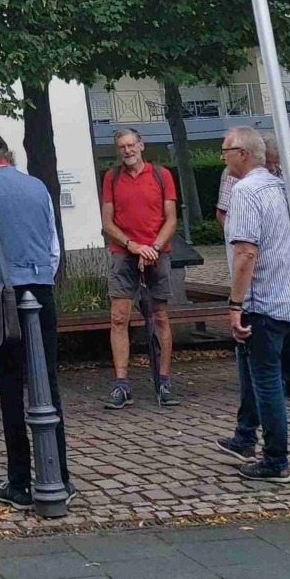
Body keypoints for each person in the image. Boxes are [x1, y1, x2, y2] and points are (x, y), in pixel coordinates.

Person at [0, 132, 72, 509]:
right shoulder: (39, 187)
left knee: (10, 387)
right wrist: (39, 279)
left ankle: (19, 481)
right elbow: (53, 249)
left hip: (2, 293)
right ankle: (60, 475)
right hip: (41, 290)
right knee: (47, 382)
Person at [219, 125, 290, 481]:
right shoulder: (285, 190)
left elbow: (245, 253)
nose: (222, 158)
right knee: (259, 376)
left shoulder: (246, 192)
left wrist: (235, 304)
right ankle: (245, 439)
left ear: (243, 154)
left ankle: (276, 460)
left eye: (226, 151)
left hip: (261, 304)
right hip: (286, 304)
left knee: (266, 383)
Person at [216, 141, 290, 404]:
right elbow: (224, 214)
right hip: (258, 267)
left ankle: (289, 380)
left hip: (285, 264)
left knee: (287, 329)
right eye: (270, 162)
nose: (273, 167)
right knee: (260, 354)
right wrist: (244, 234)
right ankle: (251, 417)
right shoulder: (236, 179)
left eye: (277, 163)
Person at [101, 127, 178, 409]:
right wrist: (132, 245)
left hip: (158, 253)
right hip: (123, 254)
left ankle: (163, 379)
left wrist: (153, 248)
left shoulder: (161, 175)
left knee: (160, 317)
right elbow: (107, 222)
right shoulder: (111, 178)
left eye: (131, 145)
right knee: (118, 317)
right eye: (122, 146)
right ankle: (122, 384)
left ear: (141, 145)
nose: (127, 150)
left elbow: (171, 219)